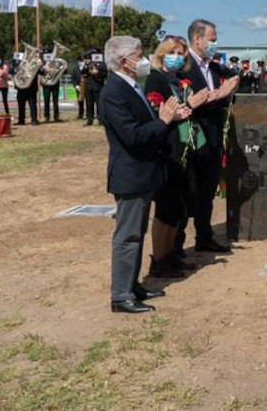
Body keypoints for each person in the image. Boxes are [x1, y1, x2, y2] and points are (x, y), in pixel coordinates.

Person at [99, 35, 190, 313]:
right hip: (130, 173)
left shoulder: (131, 86)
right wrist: (163, 121)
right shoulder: (113, 91)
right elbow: (133, 135)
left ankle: (133, 285)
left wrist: (166, 119)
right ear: (124, 61)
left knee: (137, 233)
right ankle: (121, 295)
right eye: (138, 55)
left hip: (143, 172)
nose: (142, 60)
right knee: (127, 236)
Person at [144, 36, 211, 278]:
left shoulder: (176, 80)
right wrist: (187, 107)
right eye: (174, 52)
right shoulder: (156, 79)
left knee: (177, 209)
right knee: (165, 209)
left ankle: (170, 254)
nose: (178, 57)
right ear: (162, 53)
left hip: (185, 149)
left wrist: (191, 105)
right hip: (169, 150)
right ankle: (159, 259)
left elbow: (184, 108)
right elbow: (160, 113)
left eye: (182, 53)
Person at [182, 19, 240, 255]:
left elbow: (235, 76)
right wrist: (219, 94)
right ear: (198, 39)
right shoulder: (183, 67)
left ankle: (204, 237)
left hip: (214, 137)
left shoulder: (214, 67)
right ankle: (175, 246)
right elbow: (190, 103)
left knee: (208, 190)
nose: (215, 44)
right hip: (193, 138)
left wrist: (232, 83)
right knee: (189, 192)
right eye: (212, 40)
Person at [14, 56, 40, 126]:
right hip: (21, 88)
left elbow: (41, 72)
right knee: (21, 105)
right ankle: (21, 120)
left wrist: (40, 67)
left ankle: (34, 120)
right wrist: (17, 69)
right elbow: (12, 71)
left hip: (31, 88)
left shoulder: (35, 65)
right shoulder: (19, 64)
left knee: (32, 105)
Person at [84, 53, 107, 126]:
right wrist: (87, 67)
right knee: (89, 104)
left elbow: (104, 74)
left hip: (98, 86)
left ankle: (100, 119)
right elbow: (82, 73)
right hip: (89, 87)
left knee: (99, 104)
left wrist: (97, 73)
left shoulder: (102, 64)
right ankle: (90, 119)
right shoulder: (87, 65)